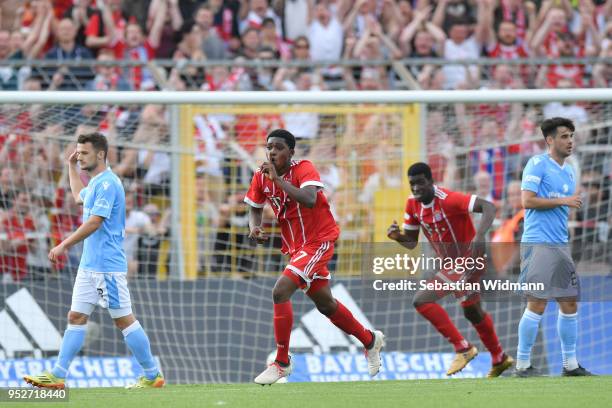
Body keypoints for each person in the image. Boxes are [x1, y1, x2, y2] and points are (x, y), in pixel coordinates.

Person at [23, 133, 164, 389]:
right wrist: (70, 167)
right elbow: (79, 197)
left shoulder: (109, 184)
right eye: (78, 152)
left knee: (124, 320)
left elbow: (94, 221)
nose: (80, 157)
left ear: (100, 154)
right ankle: (58, 375)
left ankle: (153, 375)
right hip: (89, 266)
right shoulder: (97, 182)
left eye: (84, 153)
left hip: (107, 267)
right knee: (76, 316)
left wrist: (64, 244)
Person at [245, 129, 384, 385]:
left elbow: (309, 199)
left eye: (278, 147)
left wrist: (278, 181)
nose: (272, 151)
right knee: (326, 305)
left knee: (280, 291)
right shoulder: (260, 176)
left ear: (291, 152)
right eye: (269, 147)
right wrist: (255, 227)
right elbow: (254, 206)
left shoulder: (304, 169)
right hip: (296, 247)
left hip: (319, 240)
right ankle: (370, 340)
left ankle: (282, 362)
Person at [387, 162, 513, 378]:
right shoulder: (412, 205)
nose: (416, 188)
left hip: (469, 260)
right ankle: (499, 358)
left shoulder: (450, 199)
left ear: (431, 181)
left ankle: (463, 348)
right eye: (412, 184)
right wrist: (398, 236)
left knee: (422, 300)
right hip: (451, 265)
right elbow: (411, 242)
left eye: (420, 183)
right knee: (472, 311)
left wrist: (480, 235)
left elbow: (489, 207)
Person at [514, 117, 593, 377]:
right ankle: (522, 364)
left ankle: (570, 365)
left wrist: (565, 203)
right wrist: (565, 200)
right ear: (550, 140)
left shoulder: (569, 170)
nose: (570, 140)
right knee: (537, 304)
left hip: (560, 243)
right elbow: (528, 201)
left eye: (571, 135)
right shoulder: (537, 163)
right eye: (564, 136)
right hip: (538, 242)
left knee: (569, 303)